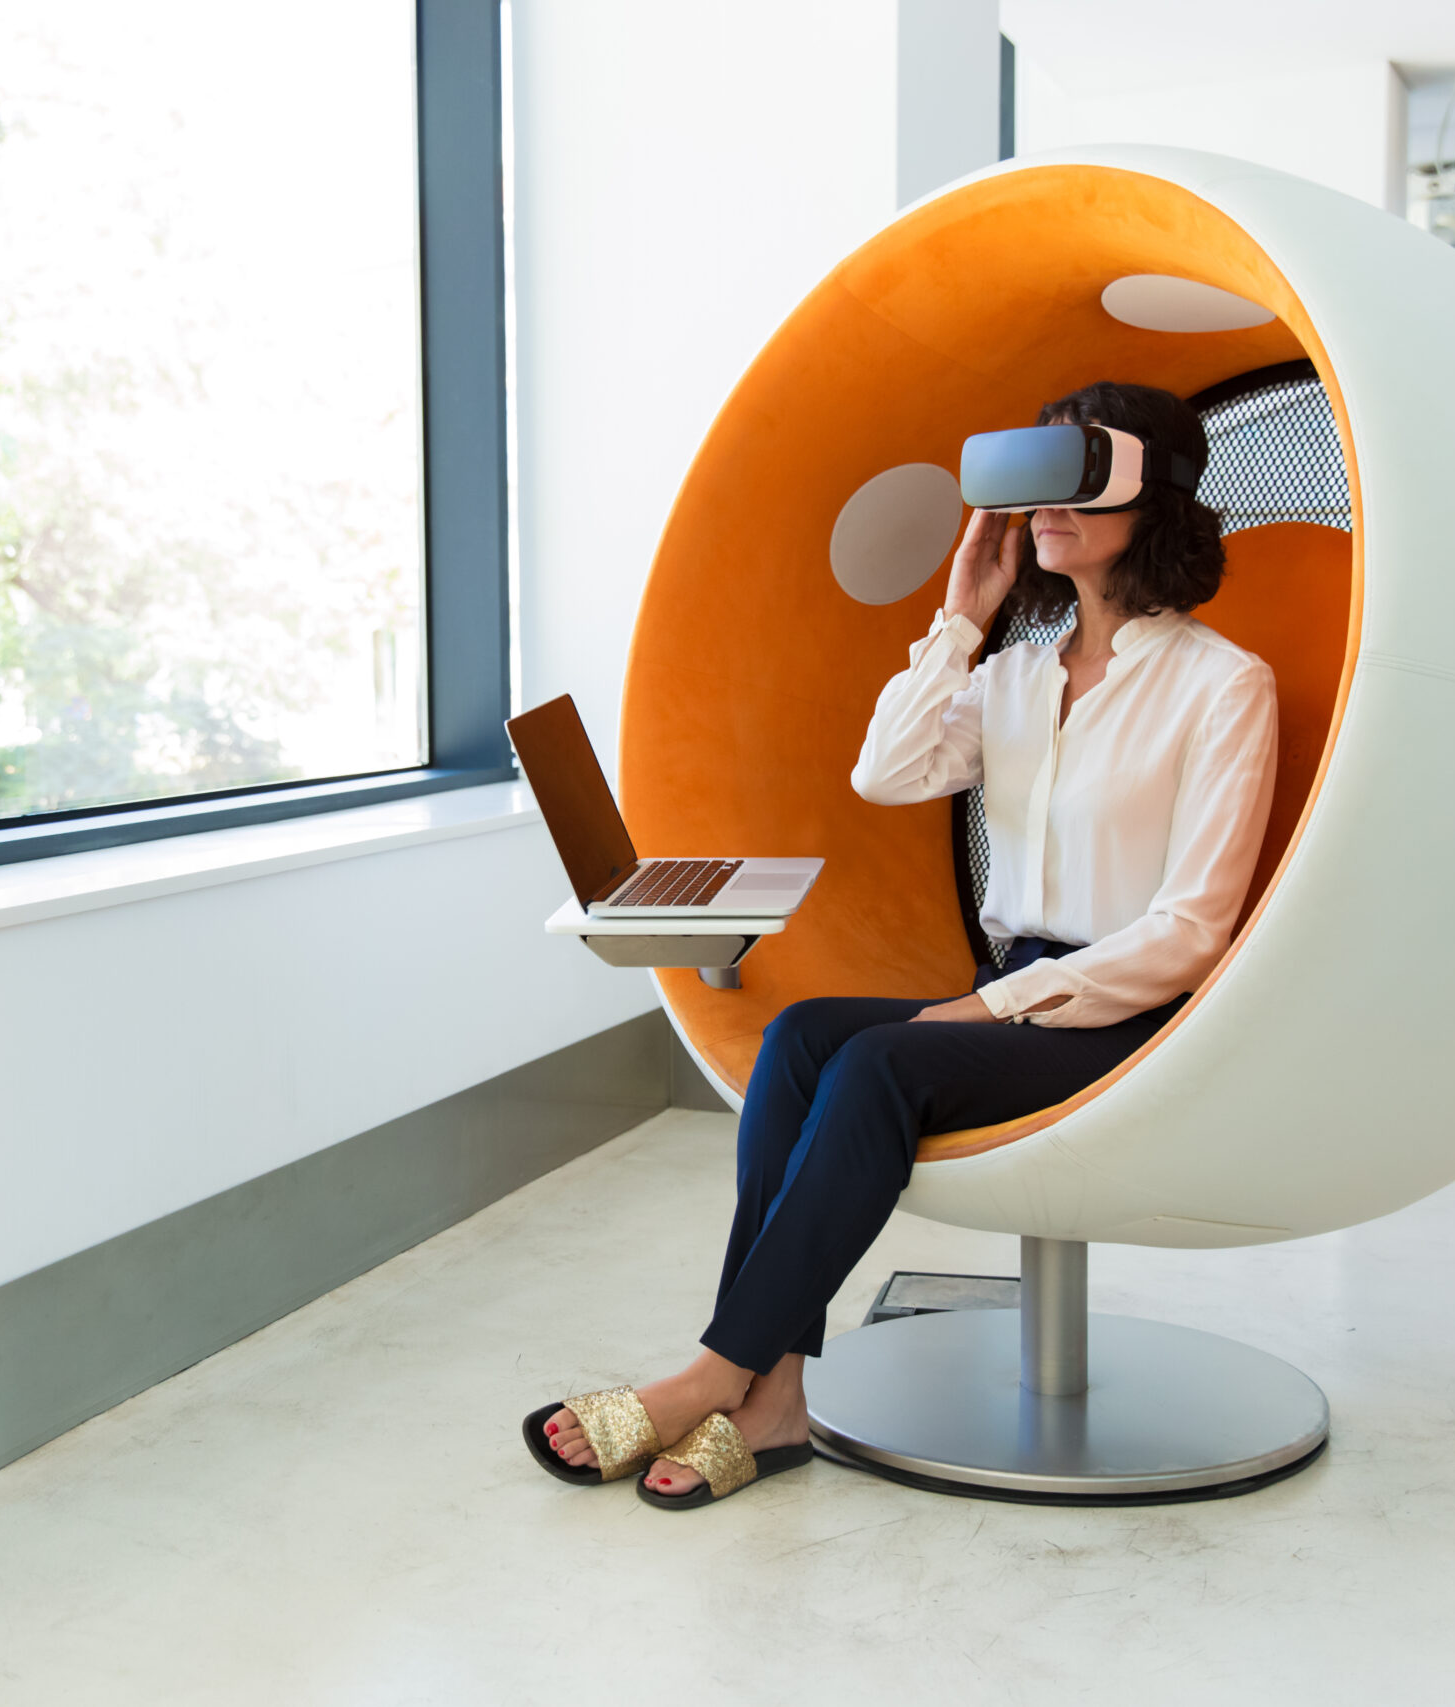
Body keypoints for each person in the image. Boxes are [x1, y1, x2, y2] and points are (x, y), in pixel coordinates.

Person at [522, 381, 1279, 1509]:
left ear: (1155, 494)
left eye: (1071, 479)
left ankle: (711, 1372)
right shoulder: (1015, 676)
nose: (1041, 510)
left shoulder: (1223, 686)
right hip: (1015, 988)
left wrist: (988, 1013)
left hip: (1128, 1010)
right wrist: (962, 615)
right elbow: (886, 774)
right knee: (799, 1039)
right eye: (1026, 488)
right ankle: (770, 1396)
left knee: (881, 1059)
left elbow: (1190, 931)